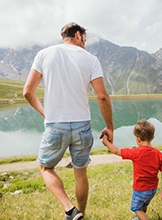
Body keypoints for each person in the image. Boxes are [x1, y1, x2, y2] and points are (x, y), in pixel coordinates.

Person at [23, 22, 114, 220]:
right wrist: (109, 127)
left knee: (46, 168)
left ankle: (70, 210)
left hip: (55, 125)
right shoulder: (91, 59)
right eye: (85, 40)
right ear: (79, 35)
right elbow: (103, 96)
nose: (85, 44)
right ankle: (80, 214)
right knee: (80, 173)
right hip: (82, 126)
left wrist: (44, 112)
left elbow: (28, 92)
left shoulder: (44, 54)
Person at [102, 119, 162, 220]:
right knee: (143, 205)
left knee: (136, 208)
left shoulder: (135, 153)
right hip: (152, 190)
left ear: (138, 139)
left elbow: (116, 151)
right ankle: (140, 217)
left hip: (140, 189)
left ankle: (142, 217)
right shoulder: (158, 154)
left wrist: (106, 142)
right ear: (153, 137)